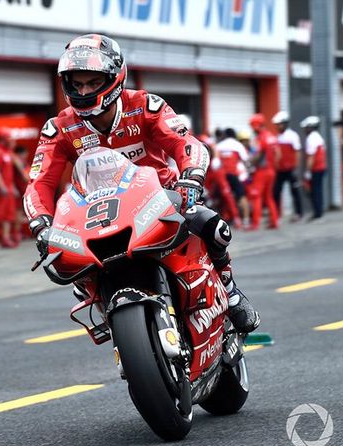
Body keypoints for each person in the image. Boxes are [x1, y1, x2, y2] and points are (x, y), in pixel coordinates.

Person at [23, 34, 259, 334]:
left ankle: (230, 290)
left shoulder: (145, 105)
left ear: (114, 77)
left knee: (212, 226)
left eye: (93, 83)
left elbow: (186, 144)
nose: (84, 91)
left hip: (161, 200)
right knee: (67, 265)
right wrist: (41, 225)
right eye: (77, 83)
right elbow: (38, 182)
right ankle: (110, 314)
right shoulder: (58, 127)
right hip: (97, 216)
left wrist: (191, 178)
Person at [249, 113, 280, 230]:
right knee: (269, 197)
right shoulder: (271, 136)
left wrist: (250, 162)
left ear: (256, 125)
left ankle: (255, 223)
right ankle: (275, 221)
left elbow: (258, 155)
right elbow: (278, 153)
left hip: (262, 171)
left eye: (252, 126)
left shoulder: (261, 138)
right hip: (271, 171)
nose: (252, 129)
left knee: (256, 196)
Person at [272, 111, 304, 222]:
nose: (278, 127)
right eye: (277, 125)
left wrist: (296, 167)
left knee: (295, 191)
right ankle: (276, 215)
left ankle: (299, 213)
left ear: (285, 124)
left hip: (291, 169)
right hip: (280, 170)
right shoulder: (277, 137)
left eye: (279, 124)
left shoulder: (292, 135)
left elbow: (297, 152)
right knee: (276, 192)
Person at [215, 128, 251, 228]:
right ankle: (246, 220)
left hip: (222, 176)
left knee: (221, 197)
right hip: (235, 175)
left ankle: (225, 219)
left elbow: (215, 163)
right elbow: (246, 160)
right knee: (241, 197)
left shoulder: (219, 146)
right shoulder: (238, 145)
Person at [300, 116, 327, 222]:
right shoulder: (318, 137)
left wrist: (307, 171)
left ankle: (317, 213)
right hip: (320, 168)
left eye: (307, 127)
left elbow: (311, 157)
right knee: (318, 190)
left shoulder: (312, 138)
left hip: (316, 169)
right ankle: (318, 212)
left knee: (315, 191)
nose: (305, 130)